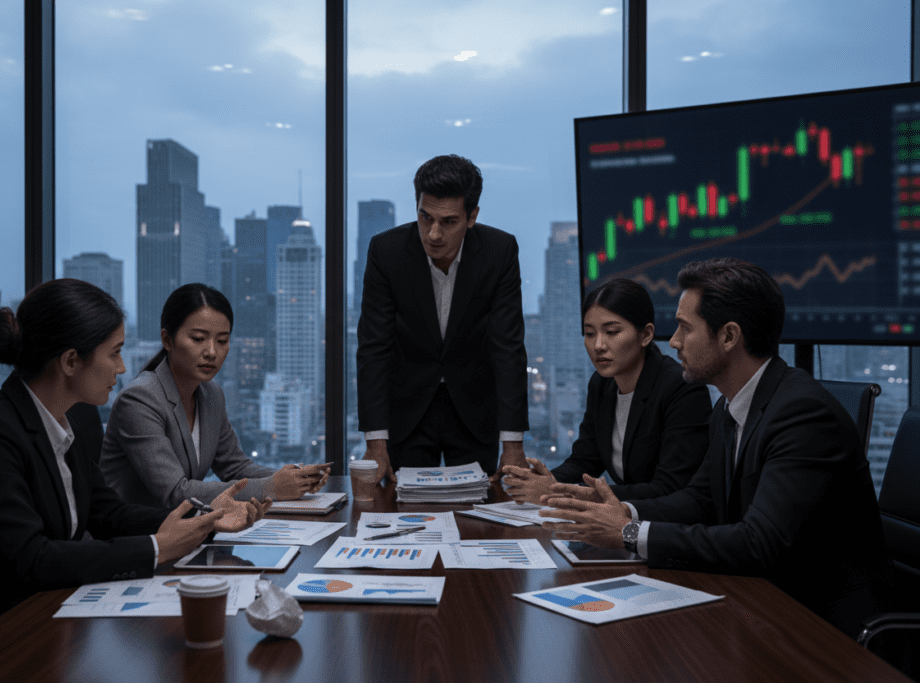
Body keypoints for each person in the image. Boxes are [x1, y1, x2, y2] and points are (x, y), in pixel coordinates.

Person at [540, 258, 887, 637]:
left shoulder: (803, 414)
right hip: (759, 604)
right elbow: (699, 500)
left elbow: (759, 543)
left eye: (686, 329)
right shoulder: (730, 404)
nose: (673, 341)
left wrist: (628, 532)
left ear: (729, 337)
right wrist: (621, 510)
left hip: (820, 628)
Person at [0, 279, 269, 641]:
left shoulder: (66, 423)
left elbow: (108, 514)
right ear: (71, 361)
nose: (121, 368)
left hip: (48, 619)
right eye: (114, 353)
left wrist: (205, 518)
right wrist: (158, 547)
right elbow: (30, 560)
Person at [357, 154, 529, 482]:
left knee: (478, 515)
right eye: (425, 218)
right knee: (402, 513)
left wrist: (513, 444)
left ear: (472, 217)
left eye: (448, 222)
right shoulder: (386, 251)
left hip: (474, 409)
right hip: (406, 410)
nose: (433, 234)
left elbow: (507, 347)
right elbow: (373, 348)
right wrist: (375, 441)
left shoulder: (499, 251)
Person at [101, 283, 329, 508]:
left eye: (222, 341)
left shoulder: (211, 393)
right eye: (198, 339)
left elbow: (235, 467)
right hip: (135, 538)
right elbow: (175, 493)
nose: (212, 352)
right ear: (167, 340)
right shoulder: (140, 399)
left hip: (184, 533)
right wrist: (271, 488)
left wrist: (294, 479)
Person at [501, 278, 711, 504]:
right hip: (620, 525)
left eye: (611, 332)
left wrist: (560, 490)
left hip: (664, 528)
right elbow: (585, 460)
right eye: (589, 334)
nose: (598, 345)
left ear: (646, 335)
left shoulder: (680, 388)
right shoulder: (602, 384)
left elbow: (669, 488)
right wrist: (538, 481)